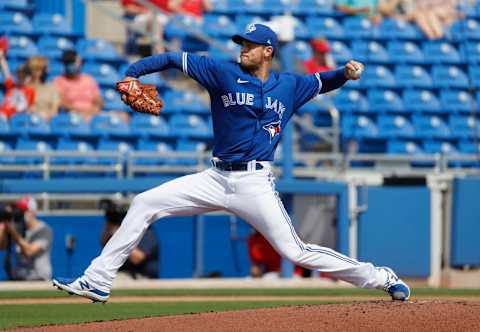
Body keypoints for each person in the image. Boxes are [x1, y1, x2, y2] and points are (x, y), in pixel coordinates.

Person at [52, 23, 410, 303]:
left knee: (295, 251)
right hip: (215, 176)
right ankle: (97, 280)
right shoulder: (221, 73)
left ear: (267, 51)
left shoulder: (289, 86)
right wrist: (133, 72)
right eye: (242, 44)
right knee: (145, 202)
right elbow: (172, 58)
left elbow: (322, 81)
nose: (243, 49)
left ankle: (381, 277)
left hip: (255, 183)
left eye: (250, 45)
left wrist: (345, 74)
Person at [100, 200, 159, 279]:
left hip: (142, 276)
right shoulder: (125, 231)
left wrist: (118, 235)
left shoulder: (147, 232)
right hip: (122, 274)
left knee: (111, 281)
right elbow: (104, 244)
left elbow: (137, 259)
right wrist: (110, 225)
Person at [0, 196, 53, 280]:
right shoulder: (18, 228)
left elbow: (30, 251)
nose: (20, 213)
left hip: (39, 278)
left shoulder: (44, 230)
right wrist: (3, 226)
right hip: (19, 277)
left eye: (24, 211)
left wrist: (13, 231)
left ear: (33, 212)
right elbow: (2, 246)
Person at [53, 50, 103, 123]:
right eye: (70, 62)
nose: (74, 65)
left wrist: (95, 109)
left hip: (92, 114)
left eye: (76, 62)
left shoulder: (89, 80)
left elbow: (98, 99)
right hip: (72, 116)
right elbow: (63, 103)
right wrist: (82, 112)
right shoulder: (59, 81)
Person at [0, 50, 35, 118]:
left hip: (15, 117)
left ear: (30, 78)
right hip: (3, 114)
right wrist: (1, 58)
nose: (21, 78)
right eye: (19, 75)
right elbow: (6, 72)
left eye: (24, 76)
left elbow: (30, 108)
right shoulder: (11, 86)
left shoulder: (30, 91)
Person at [26, 56, 60, 121]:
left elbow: (54, 110)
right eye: (44, 69)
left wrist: (45, 117)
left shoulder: (51, 88)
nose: (48, 71)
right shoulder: (24, 87)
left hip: (46, 123)